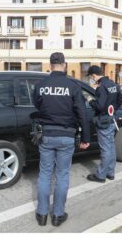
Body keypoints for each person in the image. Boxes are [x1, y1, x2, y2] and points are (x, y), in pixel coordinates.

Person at [32, 52, 90, 227]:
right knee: (62, 175)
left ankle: (42, 214)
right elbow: (82, 113)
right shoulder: (73, 86)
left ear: (50, 65)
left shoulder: (41, 85)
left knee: (44, 175)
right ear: (64, 65)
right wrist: (86, 137)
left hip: (47, 135)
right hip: (66, 135)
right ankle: (57, 215)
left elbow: (37, 105)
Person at [86, 65, 122, 183]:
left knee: (105, 149)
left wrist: (90, 101)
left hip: (103, 121)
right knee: (111, 147)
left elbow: (100, 105)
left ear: (93, 75)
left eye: (91, 77)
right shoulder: (113, 84)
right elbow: (121, 100)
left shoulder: (101, 87)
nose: (92, 79)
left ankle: (101, 176)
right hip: (111, 119)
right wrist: (112, 110)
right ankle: (110, 173)